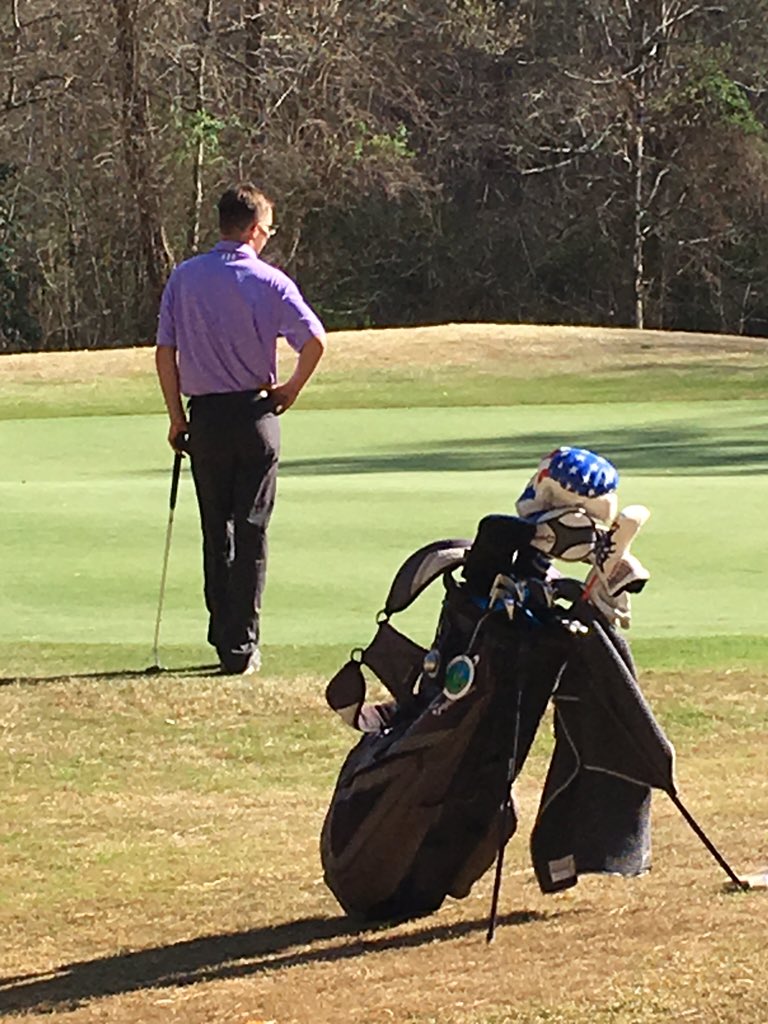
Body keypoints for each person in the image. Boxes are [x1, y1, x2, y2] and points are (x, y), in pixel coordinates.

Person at [155, 182, 326, 674]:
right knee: (251, 531)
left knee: (217, 530)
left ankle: (222, 636)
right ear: (253, 230)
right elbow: (315, 340)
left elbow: (165, 353)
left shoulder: (184, 278)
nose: (268, 237)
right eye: (268, 230)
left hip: (206, 419)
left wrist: (176, 417)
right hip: (255, 416)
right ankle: (242, 645)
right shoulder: (270, 281)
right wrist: (291, 390)